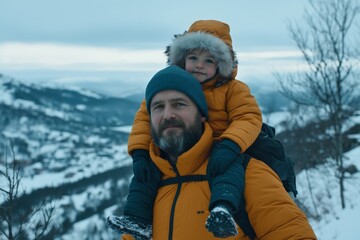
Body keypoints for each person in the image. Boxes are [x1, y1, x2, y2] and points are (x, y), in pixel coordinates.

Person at [107, 65, 317, 240]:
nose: (168, 114)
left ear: (202, 116)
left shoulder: (249, 173)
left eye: (179, 104)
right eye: (158, 107)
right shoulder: (149, 187)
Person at [124, 19, 263, 237]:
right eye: (193, 58)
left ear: (221, 64)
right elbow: (144, 118)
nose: (199, 65)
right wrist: (140, 152)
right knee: (145, 175)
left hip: (221, 146)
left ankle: (222, 210)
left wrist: (231, 144)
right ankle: (136, 219)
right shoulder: (171, 86)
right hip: (180, 152)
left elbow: (248, 117)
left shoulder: (232, 89)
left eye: (208, 60)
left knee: (229, 172)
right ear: (182, 59)